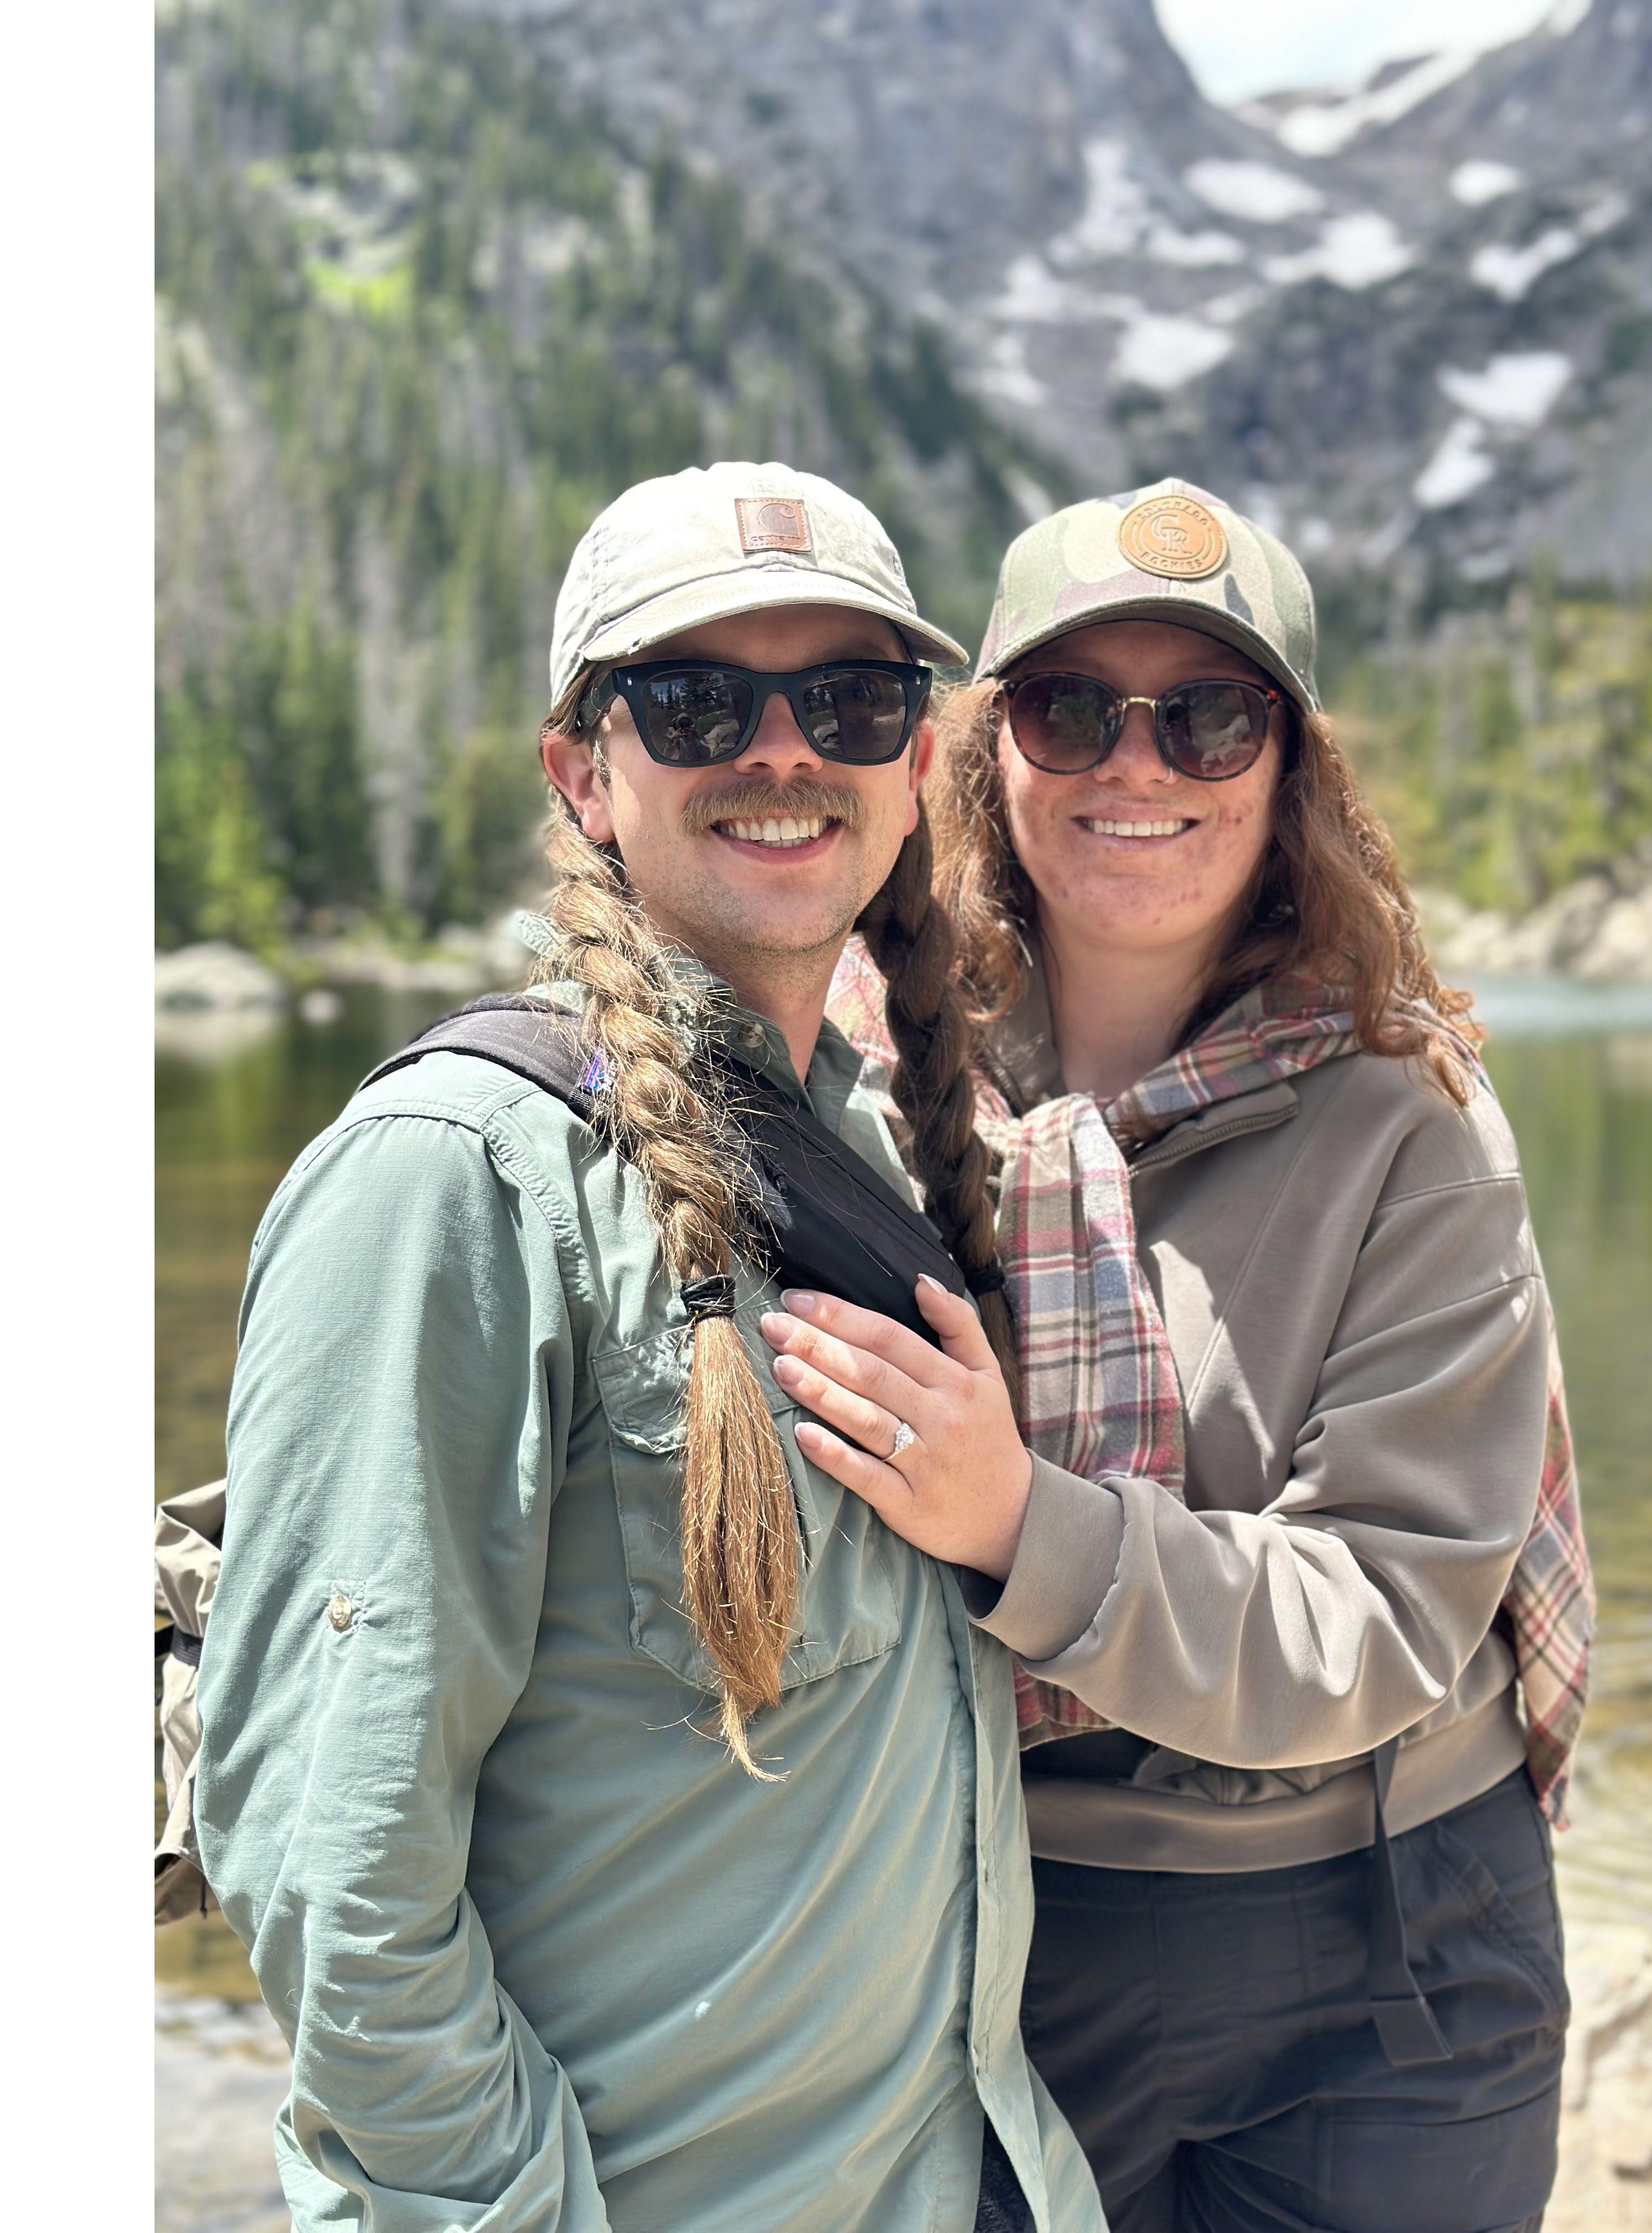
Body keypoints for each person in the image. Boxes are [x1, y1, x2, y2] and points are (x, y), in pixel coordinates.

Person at [191, 462, 1107, 2233]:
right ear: (583, 771)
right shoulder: (444, 1184)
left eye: (850, 697)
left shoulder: (871, 1131)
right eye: (694, 702)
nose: (784, 752)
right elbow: (327, 1853)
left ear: (917, 764)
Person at [768, 480, 1592, 2233]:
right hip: (990, 1931)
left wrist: (1016, 1523)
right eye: (1073, 713)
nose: (1137, 769)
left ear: (1286, 768)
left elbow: (1377, 1621)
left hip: (1395, 1947)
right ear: (991, 758)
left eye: (1207, 718)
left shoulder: (1415, 1122)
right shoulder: (844, 1081)